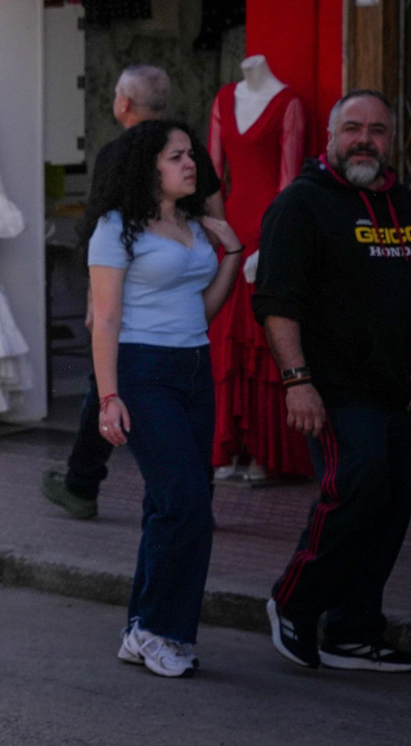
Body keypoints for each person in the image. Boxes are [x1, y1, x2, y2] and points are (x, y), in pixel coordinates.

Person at [258, 91, 411, 671]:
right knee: (356, 485)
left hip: (396, 390)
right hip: (332, 391)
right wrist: (297, 380)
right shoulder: (301, 205)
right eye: (352, 128)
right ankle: (294, 602)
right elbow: (277, 301)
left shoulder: (403, 203)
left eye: (376, 129)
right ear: (329, 136)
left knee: (392, 504)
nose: (364, 139)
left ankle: (352, 630)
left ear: (391, 139)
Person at [88, 120, 243, 677]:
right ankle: (160, 630)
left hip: (194, 369)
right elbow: (103, 317)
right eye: (176, 156)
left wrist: (230, 256)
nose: (189, 164)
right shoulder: (116, 228)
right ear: (148, 166)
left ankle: (144, 629)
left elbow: (199, 311)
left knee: (169, 506)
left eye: (190, 155)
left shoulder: (197, 226)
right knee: (186, 507)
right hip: (143, 371)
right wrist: (109, 397)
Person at [44, 65, 172, 518]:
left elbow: (96, 220)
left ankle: (81, 484)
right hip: (174, 299)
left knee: (106, 382)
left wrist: (93, 298)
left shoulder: (119, 152)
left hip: (125, 290)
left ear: (124, 104)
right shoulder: (184, 147)